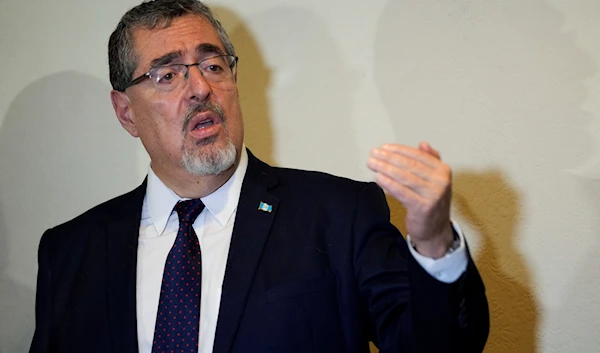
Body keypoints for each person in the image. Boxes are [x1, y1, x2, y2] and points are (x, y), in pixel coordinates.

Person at [29, 0, 489, 352]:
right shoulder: (69, 252)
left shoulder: (338, 215)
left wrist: (433, 242)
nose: (201, 88)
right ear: (126, 113)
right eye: (167, 75)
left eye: (212, 65)